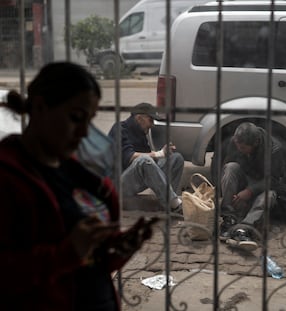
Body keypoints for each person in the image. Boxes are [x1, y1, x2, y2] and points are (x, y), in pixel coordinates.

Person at [0, 62, 156, 311]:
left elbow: (92, 262)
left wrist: (119, 248)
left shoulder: (81, 175)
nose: (85, 132)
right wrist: (66, 253)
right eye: (76, 117)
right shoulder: (8, 178)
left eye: (90, 119)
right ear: (40, 107)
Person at [218, 122, 286, 251]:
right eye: (238, 146)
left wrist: (250, 191)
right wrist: (234, 192)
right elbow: (227, 164)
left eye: (243, 148)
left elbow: (274, 180)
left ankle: (243, 229)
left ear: (256, 143)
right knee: (230, 168)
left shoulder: (274, 149)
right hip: (244, 179)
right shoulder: (235, 142)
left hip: (263, 186)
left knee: (268, 196)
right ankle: (229, 218)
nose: (240, 150)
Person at [108, 102, 184, 212]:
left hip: (134, 178)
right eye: (150, 120)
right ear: (139, 118)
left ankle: (168, 201)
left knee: (176, 159)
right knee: (144, 160)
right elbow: (130, 157)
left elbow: (151, 163)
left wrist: (165, 153)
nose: (152, 125)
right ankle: (174, 204)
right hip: (117, 185)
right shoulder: (119, 129)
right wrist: (159, 154)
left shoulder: (141, 132)